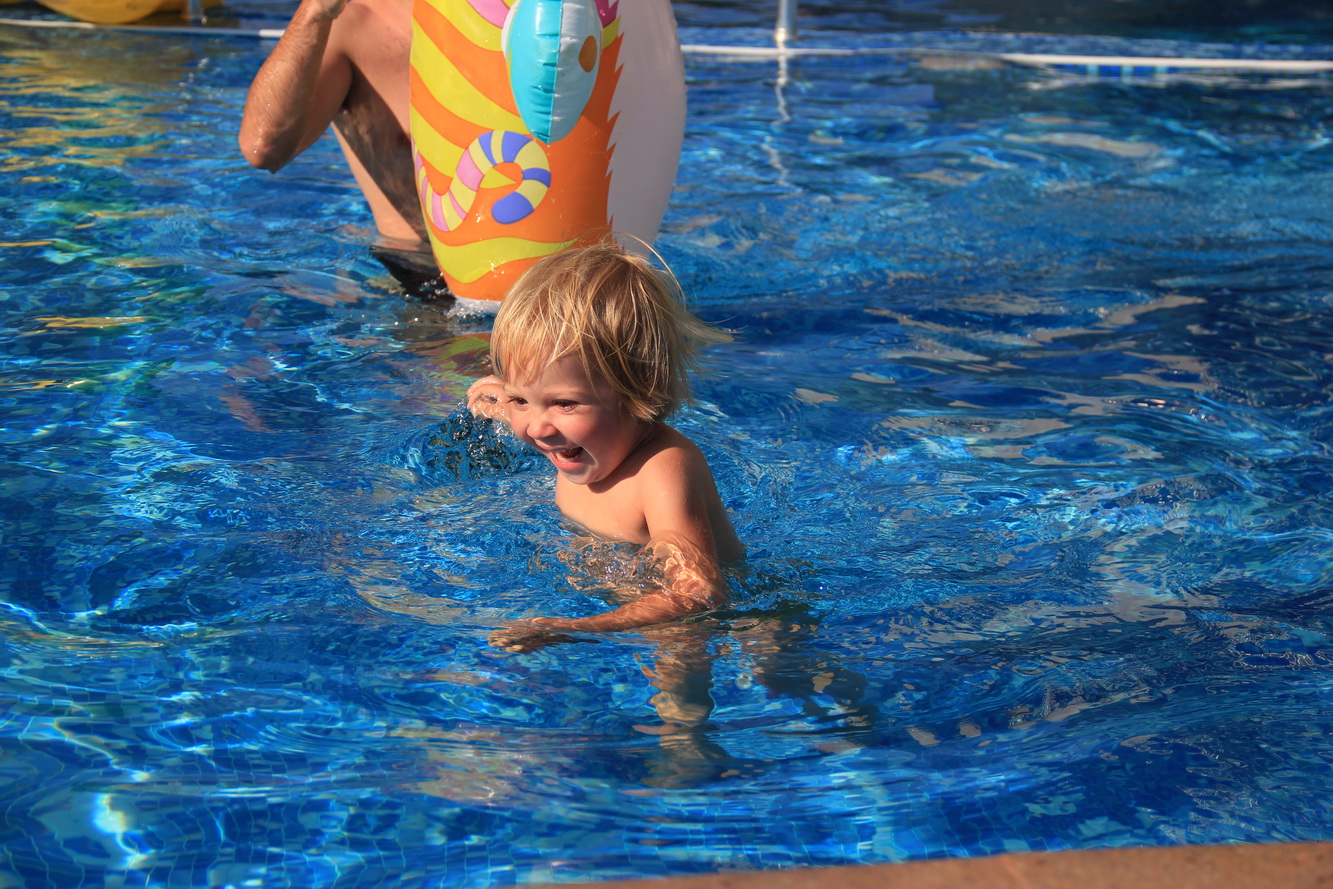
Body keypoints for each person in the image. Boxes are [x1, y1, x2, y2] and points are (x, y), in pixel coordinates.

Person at [467, 240, 744, 644]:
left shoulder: (662, 471)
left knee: (681, 671)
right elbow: (536, 417)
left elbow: (698, 594)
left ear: (638, 391)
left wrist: (578, 628)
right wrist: (505, 403)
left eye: (563, 403)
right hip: (627, 593)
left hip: (721, 624)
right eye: (521, 399)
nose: (537, 429)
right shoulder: (575, 440)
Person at [238, 0, 440, 292]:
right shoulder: (351, 24)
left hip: (514, 275)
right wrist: (314, 13)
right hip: (419, 278)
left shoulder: (508, 18)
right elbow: (265, 150)